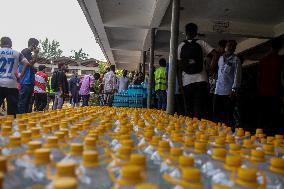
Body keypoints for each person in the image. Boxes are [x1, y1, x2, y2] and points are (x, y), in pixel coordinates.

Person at [178, 23, 218, 119]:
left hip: (187, 81)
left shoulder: (181, 46)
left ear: (185, 33)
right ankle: (199, 130)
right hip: (201, 80)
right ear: (196, 32)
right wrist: (211, 70)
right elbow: (215, 54)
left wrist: (180, 84)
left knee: (188, 109)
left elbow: (179, 67)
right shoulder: (201, 43)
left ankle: (190, 130)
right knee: (199, 108)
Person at [213, 40, 242, 126]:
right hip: (218, 91)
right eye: (229, 46)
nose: (230, 47)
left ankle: (229, 133)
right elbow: (219, 73)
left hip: (228, 92)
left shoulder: (236, 60)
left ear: (234, 49)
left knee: (228, 115)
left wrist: (234, 90)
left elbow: (238, 76)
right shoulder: (221, 58)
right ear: (225, 47)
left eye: (233, 46)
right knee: (216, 114)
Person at [0, 37, 30, 116]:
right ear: (10, 44)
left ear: (1, 44)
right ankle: (11, 126)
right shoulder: (17, 53)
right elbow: (27, 63)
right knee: (12, 112)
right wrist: (20, 76)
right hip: (12, 84)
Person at [258, 38, 283, 133]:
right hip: (276, 92)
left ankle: (261, 136)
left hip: (263, 92)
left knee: (264, 115)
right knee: (275, 116)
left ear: (270, 47)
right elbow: (282, 77)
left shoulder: (263, 60)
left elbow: (259, 77)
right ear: (280, 47)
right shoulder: (281, 60)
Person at [207, 40, 227, 120]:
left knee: (218, 107)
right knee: (214, 106)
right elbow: (210, 70)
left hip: (220, 86)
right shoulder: (214, 56)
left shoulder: (225, 57)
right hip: (214, 85)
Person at [18, 38, 39, 114]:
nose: (37, 47)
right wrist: (36, 54)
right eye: (36, 45)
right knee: (23, 102)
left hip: (29, 81)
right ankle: (21, 118)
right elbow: (30, 63)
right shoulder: (25, 51)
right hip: (25, 81)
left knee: (27, 102)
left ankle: (25, 117)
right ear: (33, 45)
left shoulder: (29, 53)